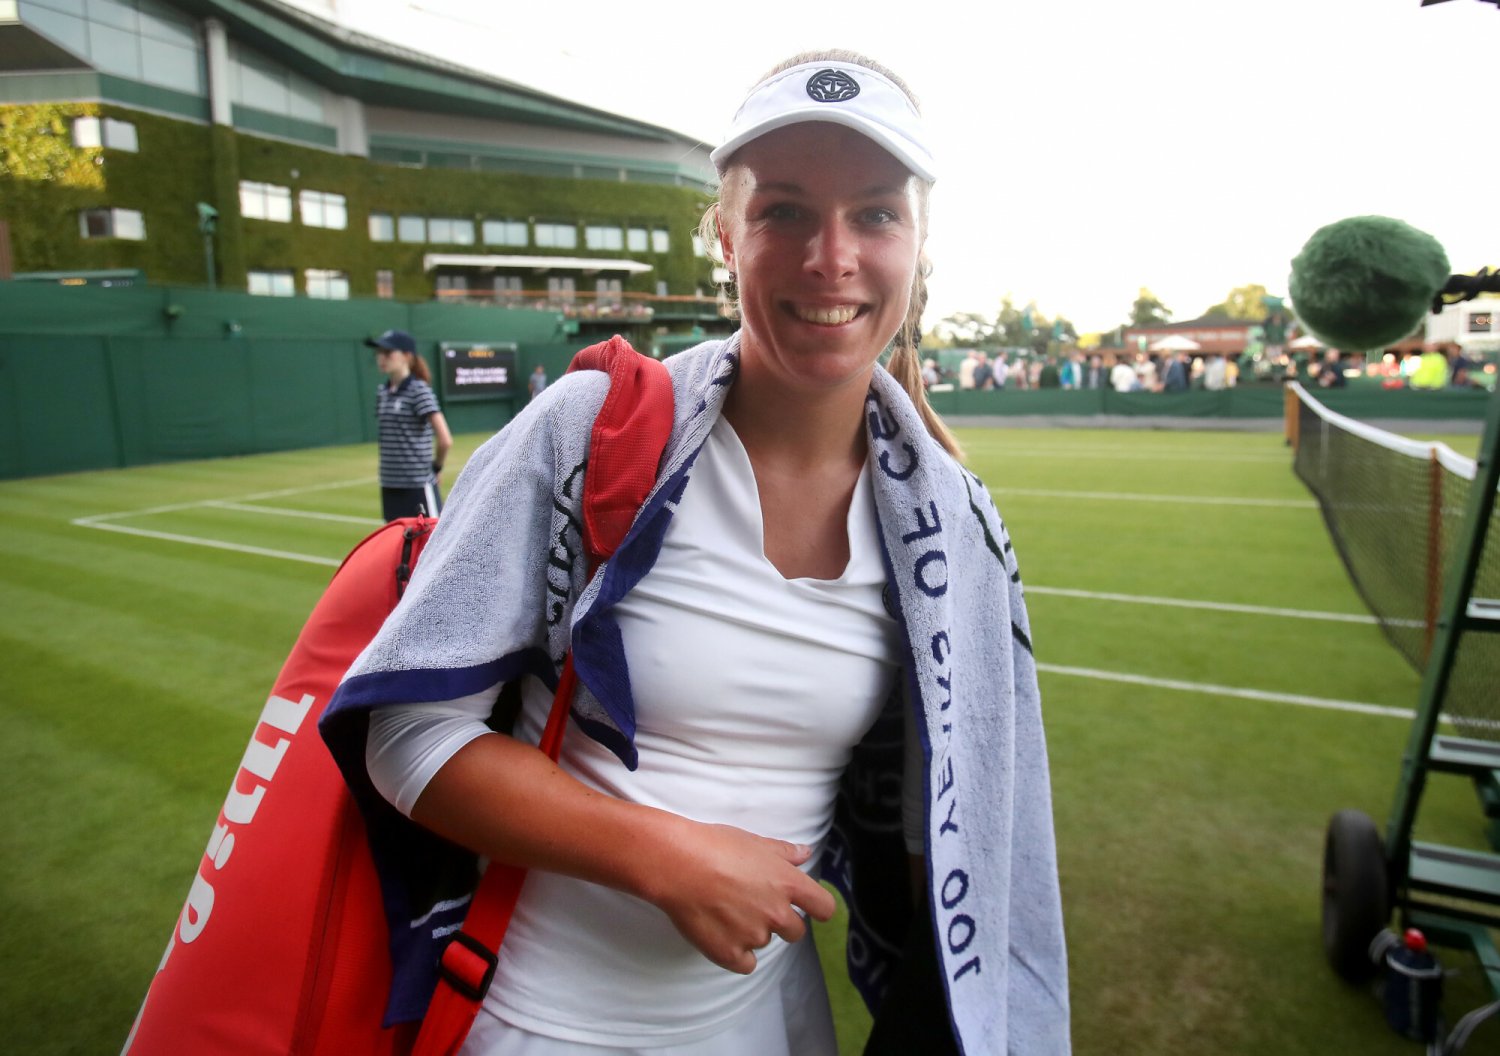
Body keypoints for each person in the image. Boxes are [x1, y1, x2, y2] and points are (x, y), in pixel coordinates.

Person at [323, 50, 1069, 1056]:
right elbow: (407, 743)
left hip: (773, 1024)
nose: (832, 256)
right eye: (785, 211)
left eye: (877, 213)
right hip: (542, 1026)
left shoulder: (957, 528)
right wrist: (667, 857)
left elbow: (973, 836)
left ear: (921, 239)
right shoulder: (587, 430)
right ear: (725, 233)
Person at [367, 328, 452, 521]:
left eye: (388, 353)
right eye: (379, 353)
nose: (382, 358)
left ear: (406, 356)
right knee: (399, 547)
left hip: (417, 487)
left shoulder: (419, 390)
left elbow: (445, 439)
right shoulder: (383, 393)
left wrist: (436, 468)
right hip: (389, 486)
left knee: (432, 546)